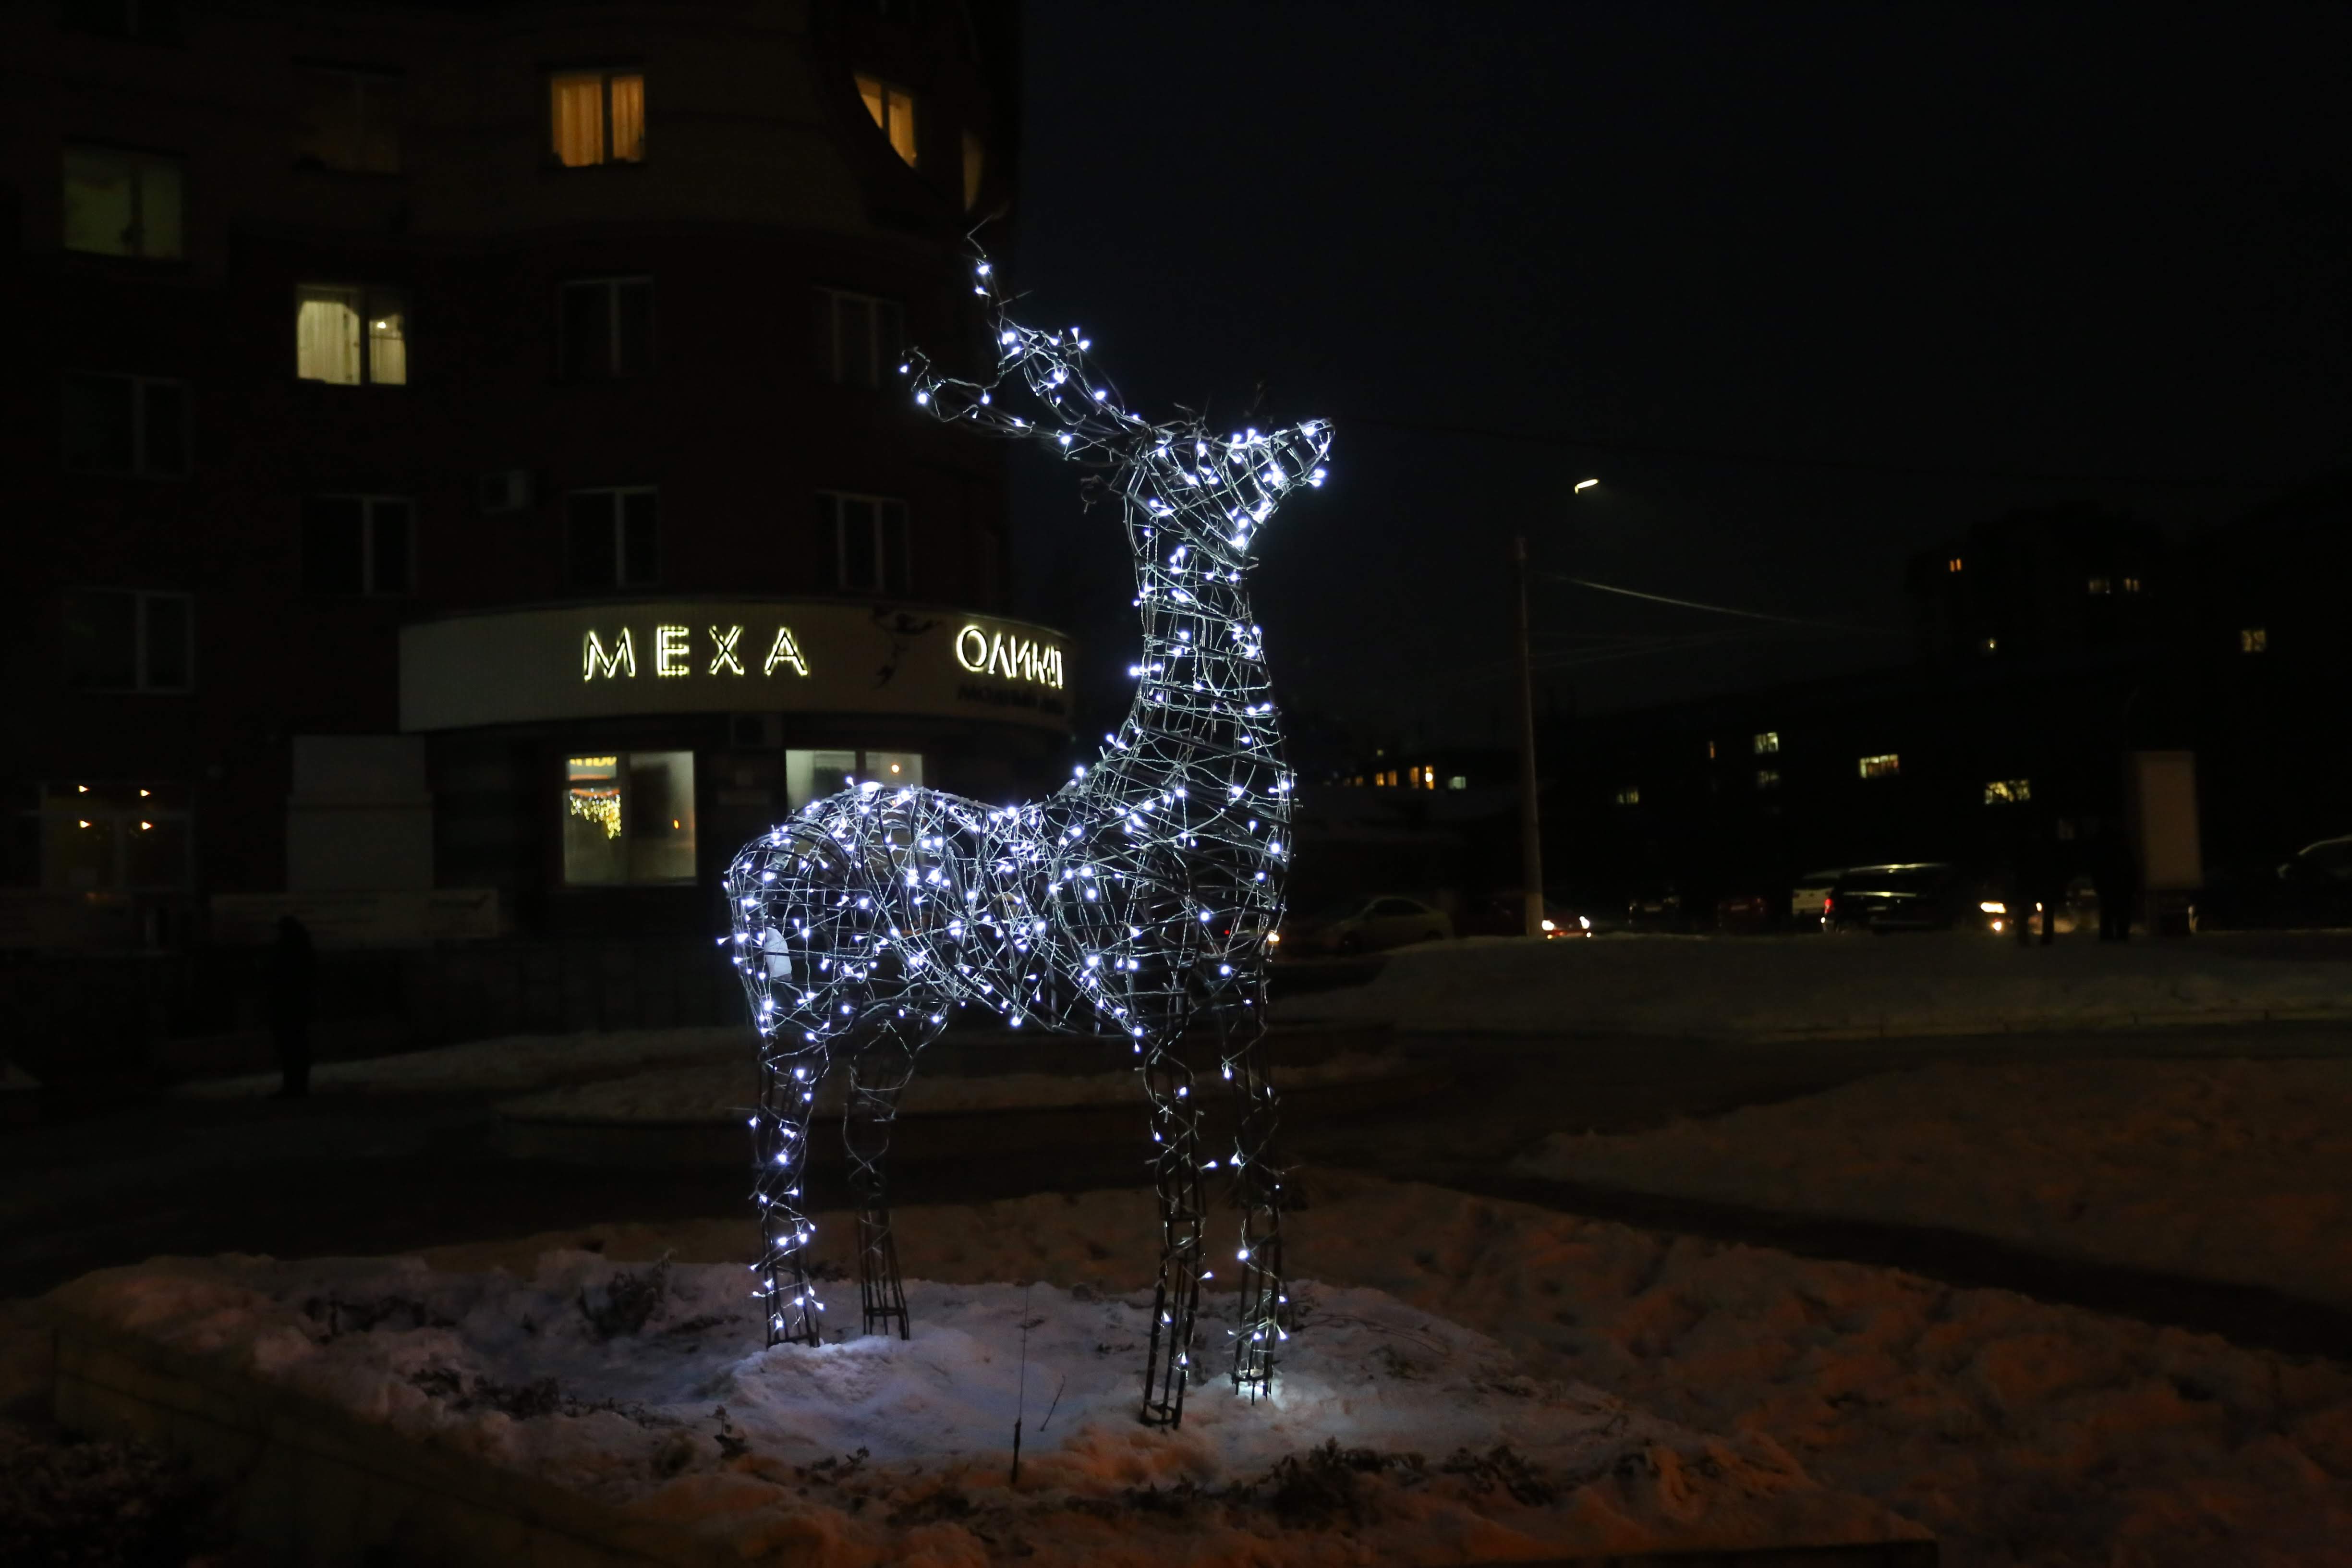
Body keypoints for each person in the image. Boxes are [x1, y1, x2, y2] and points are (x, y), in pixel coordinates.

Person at [268, 915, 316, 1098]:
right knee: (297, 1045)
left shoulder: (286, 951)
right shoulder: (303, 949)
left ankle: (293, 1086)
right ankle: (298, 1086)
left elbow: (278, 977)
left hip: (287, 1005)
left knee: (289, 1047)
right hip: (297, 1005)